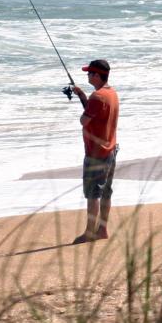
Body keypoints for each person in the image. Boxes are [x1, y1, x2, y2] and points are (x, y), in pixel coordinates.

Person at [70, 59, 119, 244]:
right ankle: (102, 229)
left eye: (89, 73)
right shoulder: (111, 93)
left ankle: (90, 233)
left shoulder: (97, 97)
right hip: (110, 149)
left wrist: (86, 100)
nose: (87, 75)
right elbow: (95, 114)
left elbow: (84, 120)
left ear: (97, 75)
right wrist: (82, 95)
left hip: (96, 154)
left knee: (93, 194)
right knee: (106, 192)